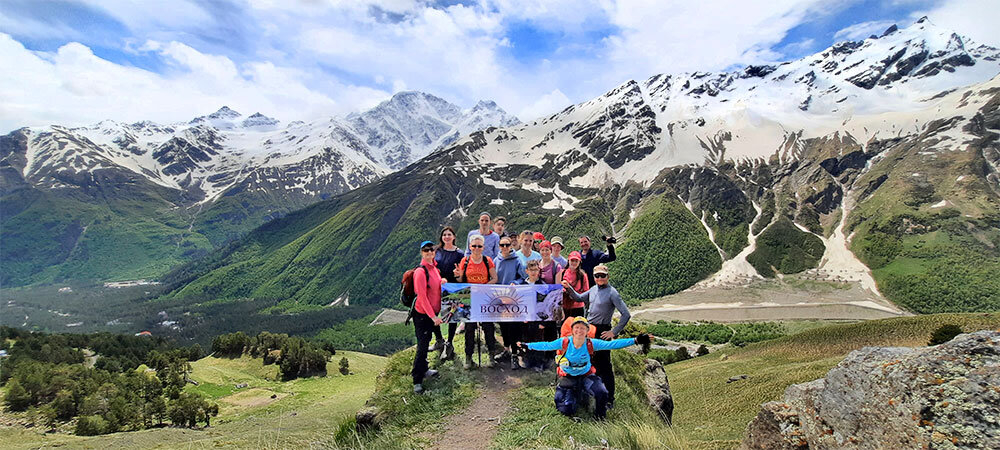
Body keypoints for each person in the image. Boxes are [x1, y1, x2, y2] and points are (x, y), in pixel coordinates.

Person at [518, 317, 651, 419]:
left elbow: (613, 344)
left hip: (586, 375)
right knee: (566, 409)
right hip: (568, 377)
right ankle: (577, 394)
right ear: (572, 330)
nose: (579, 330)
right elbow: (546, 345)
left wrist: (635, 340)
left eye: (583, 328)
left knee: (602, 393)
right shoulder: (564, 342)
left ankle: (600, 417)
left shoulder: (591, 343)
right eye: (577, 327)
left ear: (587, 331)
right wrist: (527, 345)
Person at [561, 264, 631, 408]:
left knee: (604, 365)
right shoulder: (593, 289)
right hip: (589, 330)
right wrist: (568, 288)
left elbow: (626, 314)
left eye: (602, 276)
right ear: (594, 277)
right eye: (597, 276)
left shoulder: (613, 293)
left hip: (602, 331)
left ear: (607, 276)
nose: (599, 278)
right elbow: (579, 298)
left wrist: (614, 332)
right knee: (591, 362)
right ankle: (595, 393)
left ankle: (609, 398)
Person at [456, 234, 498, 369]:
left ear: (483, 247)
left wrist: (482, 287)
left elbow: (494, 278)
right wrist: (457, 276)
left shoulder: (488, 261)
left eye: (479, 246)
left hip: (484, 298)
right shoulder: (465, 261)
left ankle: (491, 355)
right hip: (470, 300)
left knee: (488, 327)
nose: (476, 248)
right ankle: (468, 358)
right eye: (474, 246)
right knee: (469, 328)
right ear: (470, 247)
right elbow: (460, 281)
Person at [412, 240, 443, 394]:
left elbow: (435, 288)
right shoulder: (420, 271)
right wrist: (433, 317)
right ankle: (417, 380)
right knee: (423, 346)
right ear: (421, 253)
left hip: (431, 314)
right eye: (426, 250)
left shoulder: (434, 268)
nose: (430, 252)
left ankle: (424, 370)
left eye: (431, 250)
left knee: (425, 342)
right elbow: (422, 297)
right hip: (423, 315)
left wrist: (442, 282)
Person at [430, 226, 462, 361]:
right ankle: (439, 340)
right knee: (432, 313)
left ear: (454, 237)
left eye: (449, 234)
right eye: (444, 235)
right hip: (436, 286)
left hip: (452, 288)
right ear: (441, 237)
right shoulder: (436, 250)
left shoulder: (460, 254)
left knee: (452, 316)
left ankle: (449, 342)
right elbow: (430, 266)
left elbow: (462, 272)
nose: (447, 237)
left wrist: (458, 275)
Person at [494, 235, 525, 369]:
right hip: (499, 298)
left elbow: (523, 277)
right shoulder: (496, 260)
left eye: (507, 245)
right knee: (503, 326)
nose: (505, 247)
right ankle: (506, 350)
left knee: (513, 327)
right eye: (502, 245)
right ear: (499, 247)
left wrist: (515, 283)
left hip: (513, 298)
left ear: (511, 246)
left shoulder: (517, 260)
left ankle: (514, 355)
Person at [518, 260, 546, 371]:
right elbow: (519, 302)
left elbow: (545, 305)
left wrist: (543, 322)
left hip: (538, 319)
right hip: (526, 319)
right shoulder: (522, 286)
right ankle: (528, 360)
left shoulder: (543, 285)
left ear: (539, 271)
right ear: (527, 271)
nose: (533, 272)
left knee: (538, 340)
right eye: (531, 270)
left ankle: (539, 362)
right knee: (527, 339)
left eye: (535, 270)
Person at [556, 251, 589, 318]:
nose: (574, 263)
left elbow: (586, 292)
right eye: (572, 260)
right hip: (564, 307)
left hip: (578, 307)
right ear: (568, 260)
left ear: (579, 262)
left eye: (576, 261)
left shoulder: (583, 276)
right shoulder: (562, 273)